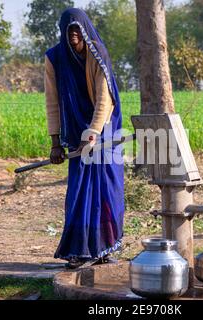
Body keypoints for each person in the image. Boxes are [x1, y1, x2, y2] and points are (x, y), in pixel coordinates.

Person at [44, 8, 125, 269]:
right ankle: (79, 250)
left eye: (78, 30)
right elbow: (52, 102)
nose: (74, 35)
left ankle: (104, 248)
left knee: (107, 189)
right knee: (80, 192)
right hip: (75, 132)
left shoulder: (97, 54)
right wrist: (55, 142)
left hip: (105, 131)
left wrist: (92, 134)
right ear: (63, 33)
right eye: (69, 31)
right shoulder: (55, 59)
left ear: (85, 30)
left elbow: (105, 98)